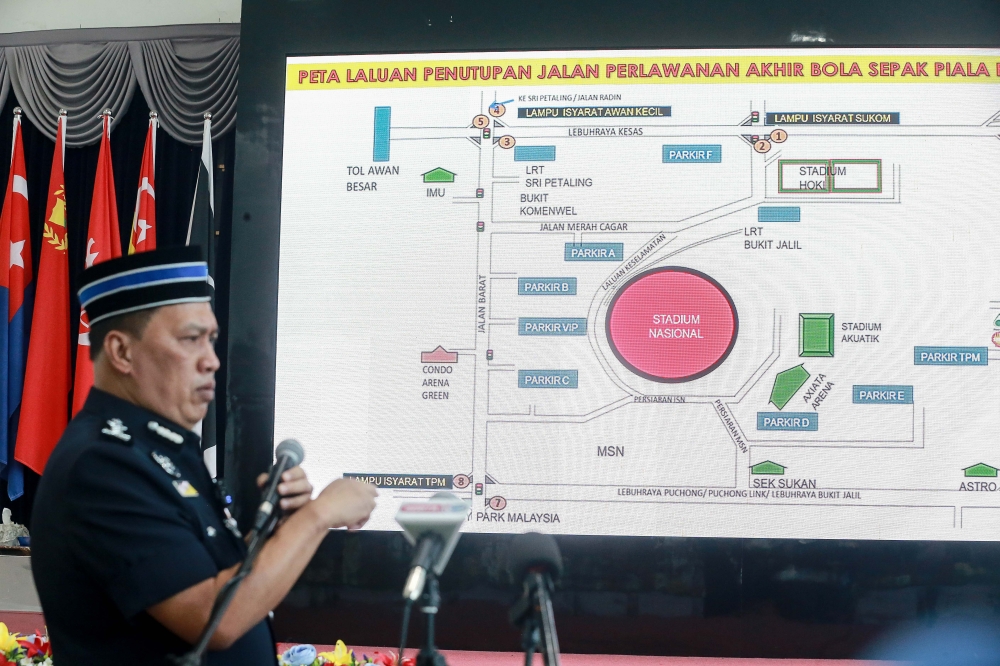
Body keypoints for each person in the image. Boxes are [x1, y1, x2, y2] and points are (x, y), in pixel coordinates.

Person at [30, 246, 378, 664]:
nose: (212, 361)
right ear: (122, 352)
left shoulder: (160, 449)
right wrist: (317, 516)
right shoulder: (102, 464)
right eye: (191, 339)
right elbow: (213, 617)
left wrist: (278, 528)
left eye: (211, 340)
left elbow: (207, 576)